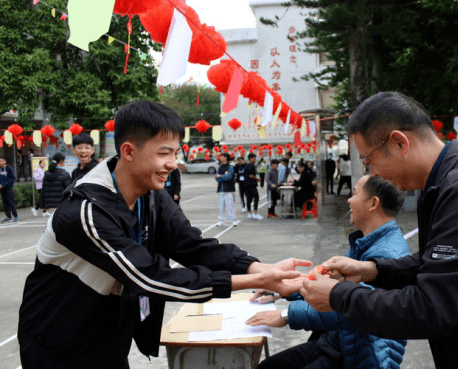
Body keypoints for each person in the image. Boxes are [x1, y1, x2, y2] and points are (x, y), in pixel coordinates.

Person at [18, 100, 311, 369]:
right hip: (57, 344)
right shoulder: (85, 211)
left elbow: (193, 246)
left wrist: (263, 268)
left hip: (109, 338)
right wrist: (259, 281)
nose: (173, 163)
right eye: (164, 153)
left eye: (176, 153)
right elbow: (150, 277)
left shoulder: (152, 196)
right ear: (129, 151)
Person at [300, 91, 458, 368]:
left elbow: (432, 308)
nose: (373, 174)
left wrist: (338, 296)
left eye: (369, 161)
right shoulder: (443, 183)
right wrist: (373, 270)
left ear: (399, 142)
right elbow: (439, 262)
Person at [247, 175, 410, 369]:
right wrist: (284, 289)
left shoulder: (387, 254)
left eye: (355, 193)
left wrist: (287, 316)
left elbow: (351, 309)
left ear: (373, 203)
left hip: (362, 355)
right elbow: (328, 287)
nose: (349, 200)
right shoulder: (367, 242)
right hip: (340, 341)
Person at [215, 153, 238, 227]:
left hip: (228, 189)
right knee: (221, 207)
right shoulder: (220, 167)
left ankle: (233, 220)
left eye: (222, 157)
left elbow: (229, 177)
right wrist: (222, 177)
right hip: (220, 190)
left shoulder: (230, 167)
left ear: (226, 158)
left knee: (230, 206)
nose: (220, 158)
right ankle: (221, 220)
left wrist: (221, 176)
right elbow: (216, 177)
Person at [0, 156, 19, 222]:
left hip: (9, 188)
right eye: (0, 161)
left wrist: (4, 184)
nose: (0, 162)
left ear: (5, 161)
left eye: (2, 161)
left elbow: (13, 178)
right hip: (2, 189)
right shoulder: (0, 169)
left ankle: (15, 216)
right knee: (5, 202)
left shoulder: (9, 168)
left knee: (11, 202)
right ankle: (8, 216)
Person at [245, 153, 263, 219]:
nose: (255, 159)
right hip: (251, 184)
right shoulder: (251, 166)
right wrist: (257, 179)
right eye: (254, 158)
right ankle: (256, 213)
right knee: (256, 198)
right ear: (250, 158)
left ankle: (249, 213)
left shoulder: (246, 165)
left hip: (247, 184)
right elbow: (251, 175)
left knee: (249, 198)